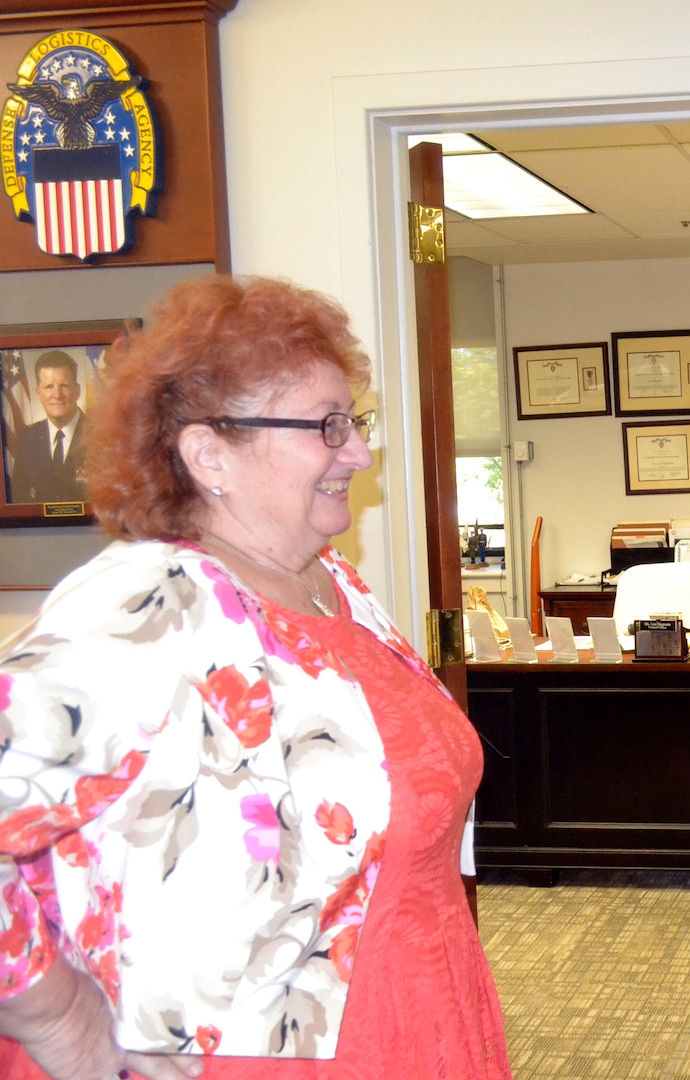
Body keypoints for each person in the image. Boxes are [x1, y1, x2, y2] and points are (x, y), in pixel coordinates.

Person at [0, 276, 511, 1079]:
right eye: (327, 426)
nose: (359, 451)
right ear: (209, 454)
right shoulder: (147, 604)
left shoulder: (330, 582)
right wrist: (57, 1015)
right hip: (256, 1050)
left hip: (415, 1005)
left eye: (355, 421)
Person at [7, 350, 89, 503]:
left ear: (77, 391)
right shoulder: (27, 439)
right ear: (38, 394)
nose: (57, 395)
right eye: (49, 387)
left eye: (64, 386)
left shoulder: (102, 435)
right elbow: (19, 499)